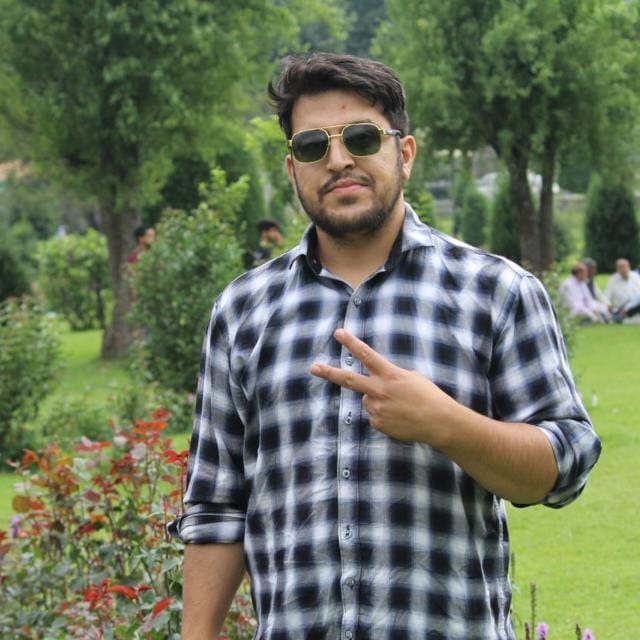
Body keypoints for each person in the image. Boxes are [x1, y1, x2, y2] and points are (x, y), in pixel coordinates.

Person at [169, 53, 601, 640]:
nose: (338, 160)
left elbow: (563, 469)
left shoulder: (496, 292)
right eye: (313, 146)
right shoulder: (243, 310)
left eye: (362, 138)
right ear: (292, 169)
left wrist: (447, 423)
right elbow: (217, 507)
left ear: (405, 153)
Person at [604, 258, 640, 322]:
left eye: (625, 267)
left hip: (635, 306)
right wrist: (608, 309)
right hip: (621, 307)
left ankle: (623, 312)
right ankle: (620, 314)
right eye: (621, 267)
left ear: (629, 267)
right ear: (617, 269)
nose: (624, 269)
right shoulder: (613, 280)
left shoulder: (635, 276)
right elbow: (606, 297)